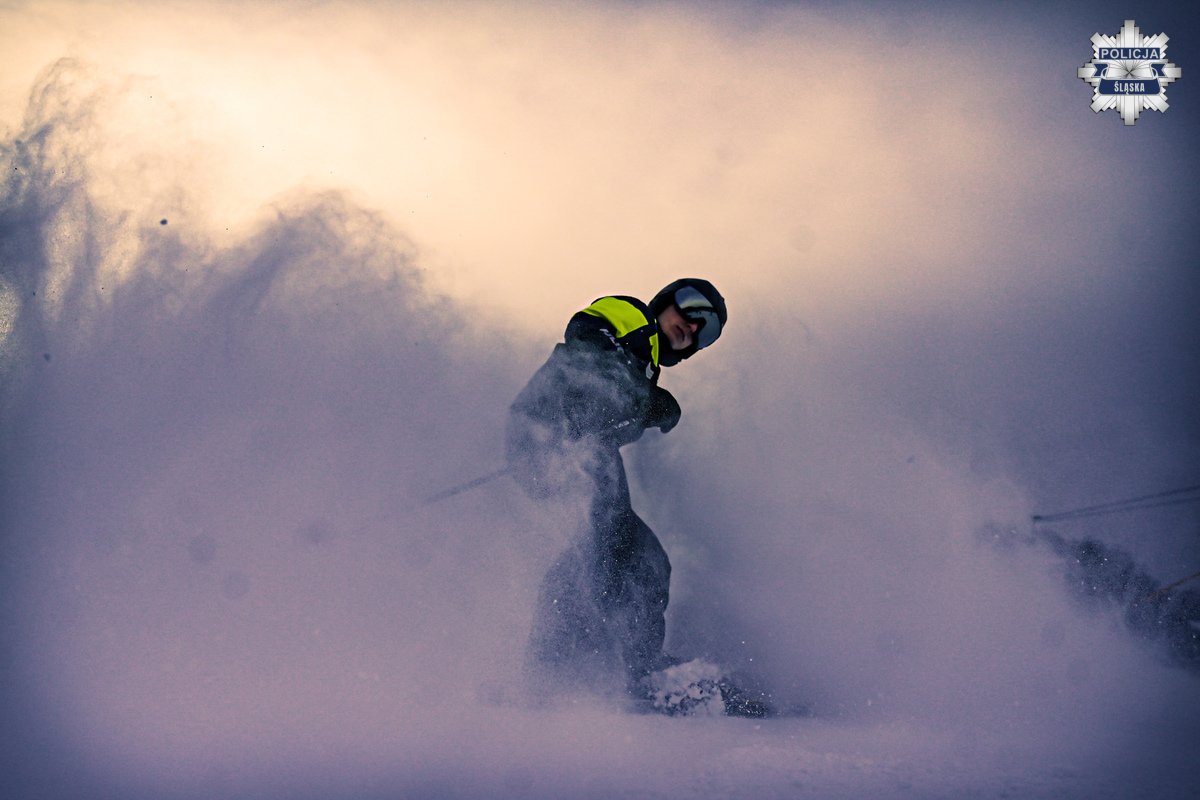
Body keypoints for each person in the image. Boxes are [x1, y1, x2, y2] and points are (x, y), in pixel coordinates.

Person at [506, 278, 736, 710]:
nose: (692, 327)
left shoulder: (645, 364)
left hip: (570, 448)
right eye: (691, 308)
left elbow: (616, 413)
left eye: (707, 333)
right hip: (556, 437)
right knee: (624, 552)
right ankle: (618, 669)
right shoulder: (633, 318)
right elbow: (587, 331)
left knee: (619, 553)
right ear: (666, 300)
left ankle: (561, 666)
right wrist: (646, 398)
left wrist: (646, 404)